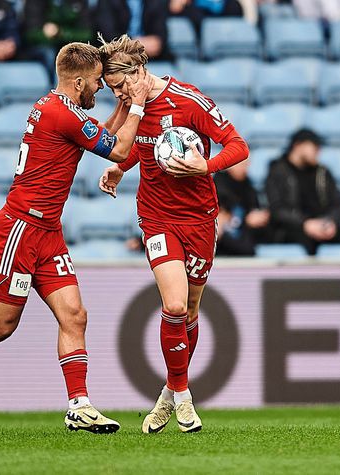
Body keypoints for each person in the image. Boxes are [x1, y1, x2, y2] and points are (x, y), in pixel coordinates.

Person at [0, 42, 154, 433]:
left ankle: (79, 405)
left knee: (74, 315)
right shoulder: (63, 114)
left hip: (47, 232)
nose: (99, 88)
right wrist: (140, 104)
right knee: (0, 326)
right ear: (78, 81)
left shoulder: (62, 109)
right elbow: (118, 149)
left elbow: (104, 136)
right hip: (20, 230)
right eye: (96, 83)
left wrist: (125, 105)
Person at [97, 34, 249, 433]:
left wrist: (206, 167)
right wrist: (120, 167)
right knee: (176, 305)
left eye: (120, 87)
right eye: (112, 91)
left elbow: (239, 146)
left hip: (199, 218)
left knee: (192, 309)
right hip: (156, 216)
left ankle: (169, 391)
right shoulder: (134, 109)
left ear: (139, 72)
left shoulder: (188, 100)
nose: (118, 96)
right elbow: (139, 148)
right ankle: (184, 399)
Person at [265, 128, 340, 256]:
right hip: (291, 230)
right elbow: (277, 210)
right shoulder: (278, 172)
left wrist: (330, 222)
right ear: (298, 146)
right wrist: (305, 224)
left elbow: (336, 203)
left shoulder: (323, 172)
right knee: (303, 245)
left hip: (322, 228)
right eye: (314, 146)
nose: (318, 151)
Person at [214, 159, 271, 256]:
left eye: (247, 164)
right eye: (242, 163)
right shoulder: (218, 184)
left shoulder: (248, 185)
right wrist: (246, 220)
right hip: (222, 247)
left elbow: (255, 210)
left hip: (243, 240)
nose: (245, 167)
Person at [95, 0, 170, 60]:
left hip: (152, 56)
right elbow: (107, 34)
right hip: (117, 57)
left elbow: (161, 34)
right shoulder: (107, 2)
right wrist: (135, 44)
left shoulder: (155, 2)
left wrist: (156, 43)